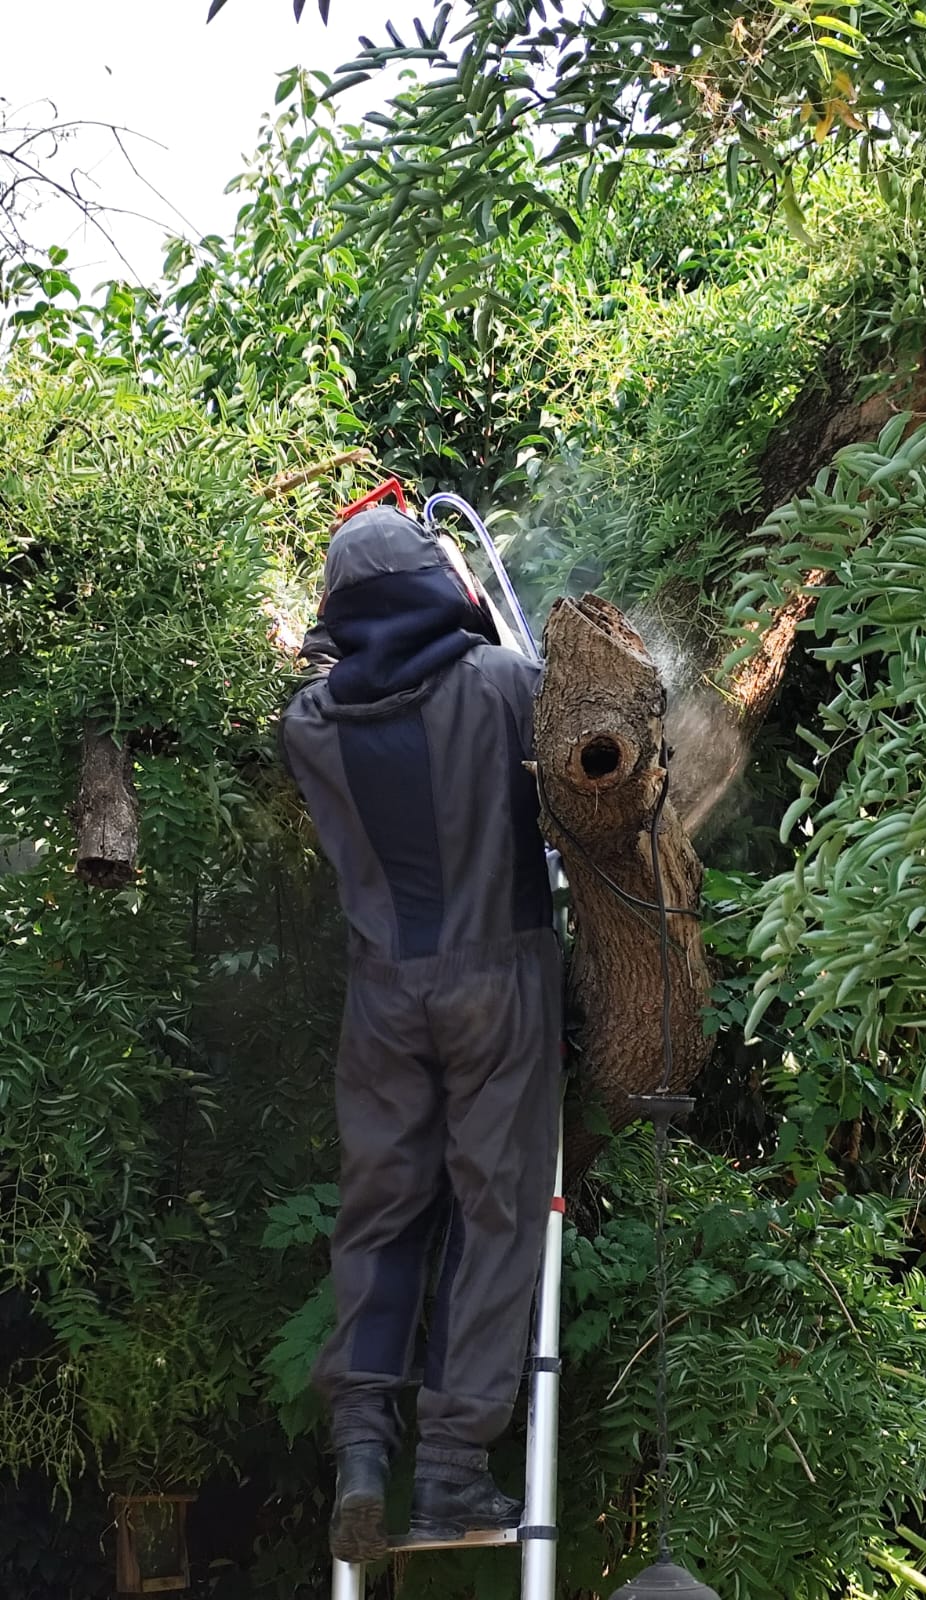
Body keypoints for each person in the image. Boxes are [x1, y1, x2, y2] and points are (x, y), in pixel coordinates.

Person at [280, 501, 562, 1561]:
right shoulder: (497, 685)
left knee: (381, 1212)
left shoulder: (307, 725)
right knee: (496, 1214)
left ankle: (361, 1448)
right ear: (435, 588)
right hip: (500, 979)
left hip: (383, 996)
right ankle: (451, 1471)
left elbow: (347, 673)